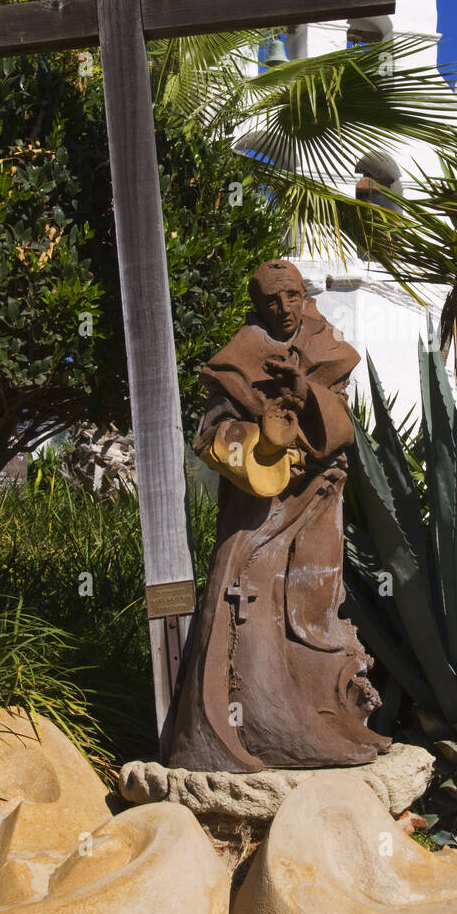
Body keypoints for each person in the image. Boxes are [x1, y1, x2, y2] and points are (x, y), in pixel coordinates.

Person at [170, 260, 390, 772]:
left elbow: (342, 430)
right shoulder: (237, 361)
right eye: (272, 300)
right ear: (257, 303)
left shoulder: (325, 345)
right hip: (260, 509)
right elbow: (210, 435)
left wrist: (306, 389)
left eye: (292, 295)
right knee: (251, 606)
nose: (285, 308)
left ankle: (331, 720)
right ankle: (261, 730)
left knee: (314, 604)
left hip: (319, 501)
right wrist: (259, 438)